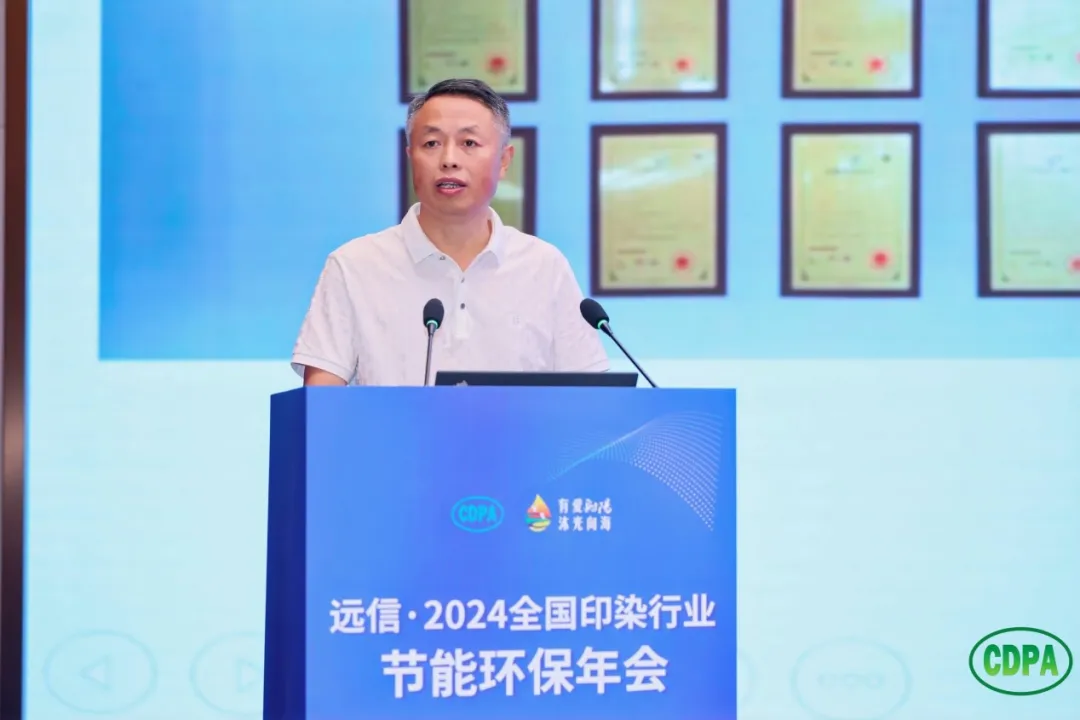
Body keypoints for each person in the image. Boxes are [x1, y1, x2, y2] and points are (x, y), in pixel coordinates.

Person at [292, 78, 609, 386]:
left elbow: (590, 398)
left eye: (469, 143)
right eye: (431, 143)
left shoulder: (544, 266)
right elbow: (320, 405)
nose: (449, 160)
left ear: (504, 160)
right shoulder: (354, 266)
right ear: (410, 157)